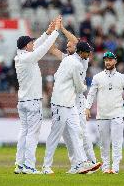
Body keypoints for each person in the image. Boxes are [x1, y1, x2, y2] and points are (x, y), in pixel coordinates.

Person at [42, 41, 101, 175]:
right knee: (55, 135)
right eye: (87, 52)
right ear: (81, 52)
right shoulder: (76, 64)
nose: (89, 54)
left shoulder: (67, 59)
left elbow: (57, 76)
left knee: (76, 132)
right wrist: (84, 86)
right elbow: (80, 87)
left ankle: (79, 164)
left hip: (69, 103)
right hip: (60, 103)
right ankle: (46, 166)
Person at [85, 51, 124, 174]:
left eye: (110, 60)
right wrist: (87, 107)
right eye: (106, 60)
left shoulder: (122, 77)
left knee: (117, 142)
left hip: (117, 114)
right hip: (102, 114)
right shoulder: (97, 77)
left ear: (115, 61)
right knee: (104, 143)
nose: (108, 62)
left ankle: (115, 167)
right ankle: (106, 167)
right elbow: (91, 93)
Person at [13, 17, 61, 174]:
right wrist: (55, 32)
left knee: (24, 133)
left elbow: (39, 44)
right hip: (32, 102)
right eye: (31, 43)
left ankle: (20, 164)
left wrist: (47, 32)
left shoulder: (20, 56)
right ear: (27, 46)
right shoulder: (28, 58)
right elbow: (43, 48)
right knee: (32, 134)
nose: (33, 44)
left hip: (23, 102)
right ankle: (29, 166)